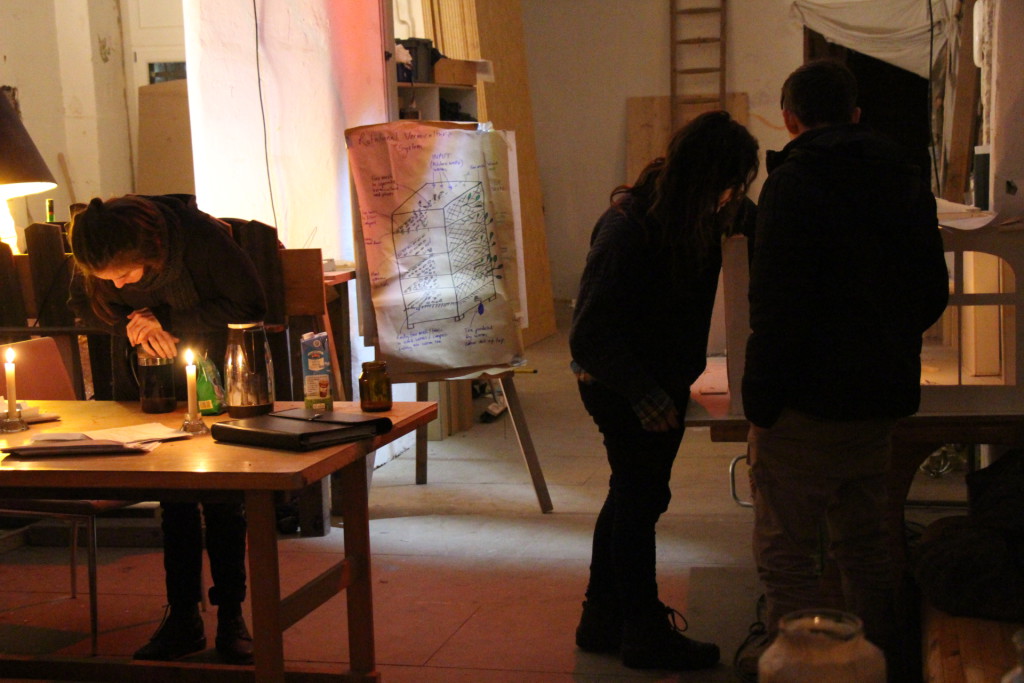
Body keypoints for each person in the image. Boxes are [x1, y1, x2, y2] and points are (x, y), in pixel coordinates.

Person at [740, 59, 949, 678]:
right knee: (866, 544)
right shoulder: (905, 177)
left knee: (787, 549)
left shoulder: (792, 183)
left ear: (789, 120)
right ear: (856, 114)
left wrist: (761, 399)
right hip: (880, 394)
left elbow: (774, 305)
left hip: (804, 400)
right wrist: (886, 341)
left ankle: (802, 669)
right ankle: (877, 662)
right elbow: (931, 292)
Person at [570, 110, 759, 671]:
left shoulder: (689, 215)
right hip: (624, 385)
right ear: (705, 177)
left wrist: (742, 214)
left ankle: (601, 619)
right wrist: (643, 393)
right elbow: (588, 334)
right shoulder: (628, 228)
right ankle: (643, 632)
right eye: (728, 185)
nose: (730, 197)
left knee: (633, 495)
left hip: (655, 379)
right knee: (639, 501)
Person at [68, 194, 267, 664]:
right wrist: (132, 323)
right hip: (151, 385)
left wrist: (168, 319)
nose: (117, 283)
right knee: (174, 501)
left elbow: (250, 302)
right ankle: (182, 618)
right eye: (108, 279)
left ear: (151, 251)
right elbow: (81, 305)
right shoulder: (99, 253)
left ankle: (232, 617)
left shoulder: (199, 238)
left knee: (223, 502)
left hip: (216, 377)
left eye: (124, 274)